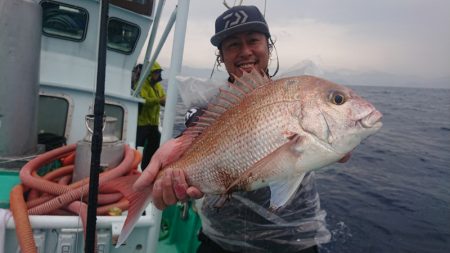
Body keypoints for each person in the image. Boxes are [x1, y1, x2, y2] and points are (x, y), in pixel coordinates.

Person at [134, 5, 350, 253]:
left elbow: (336, 148)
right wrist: (177, 149)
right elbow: (197, 123)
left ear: (268, 45)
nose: (245, 51)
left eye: (253, 40)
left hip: (295, 242)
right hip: (221, 242)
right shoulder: (208, 104)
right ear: (221, 55)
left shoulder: (295, 95)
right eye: (233, 44)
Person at [135, 61, 166, 169]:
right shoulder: (141, 85)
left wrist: (166, 101)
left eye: (158, 72)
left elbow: (163, 99)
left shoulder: (158, 87)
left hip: (153, 124)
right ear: (150, 73)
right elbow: (143, 101)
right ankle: (134, 166)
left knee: (155, 146)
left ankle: (147, 168)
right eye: (155, 72)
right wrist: (158, 100)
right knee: (137, 147)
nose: (157, 75)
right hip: (142, 124)